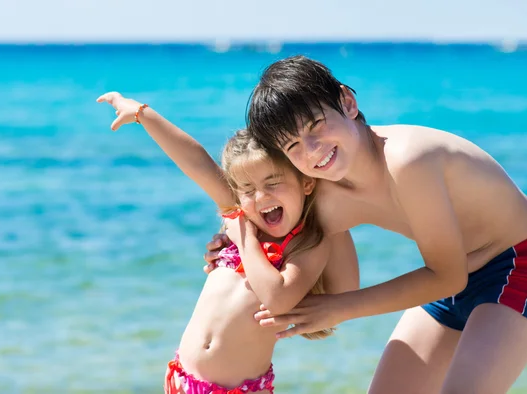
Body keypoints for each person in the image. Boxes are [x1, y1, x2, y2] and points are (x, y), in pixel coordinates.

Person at [204, 55, 527, 394]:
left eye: (315, 125)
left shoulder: (407, 160)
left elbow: (447, 276)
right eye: (293, 146)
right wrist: (231, 244)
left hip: (522, 262)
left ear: (347, 103)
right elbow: (277, 234)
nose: (313, 150)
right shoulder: (325, 190)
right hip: (453, 277)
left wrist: (340, 309)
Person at [96, 91, 356, 394]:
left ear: (306, 182)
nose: (261, 197)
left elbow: (279, 299)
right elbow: (196, 161)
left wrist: (243, 238)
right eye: (247, 189)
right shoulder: (241, 214)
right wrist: (142, 114)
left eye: (273, 183)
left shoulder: (307, 241)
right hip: (181, 380)